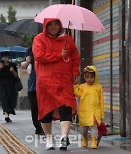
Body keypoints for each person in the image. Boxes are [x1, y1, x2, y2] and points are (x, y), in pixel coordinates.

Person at [32, 18, 80, 150]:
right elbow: (39, 56)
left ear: (61, 25)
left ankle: (64, 137)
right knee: (46, 110)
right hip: (45, 82)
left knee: (66, 108)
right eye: (50, 24)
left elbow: (75, 57)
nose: (54, 26)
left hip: (64, 81)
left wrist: (75, 71)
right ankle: (49, 138)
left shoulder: (68, 40)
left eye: (56, 23)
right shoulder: (39, 39)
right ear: (45, 26)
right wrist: (59, 55)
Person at [74, 65, 104, 149]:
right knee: (85, 129)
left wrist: (101, 115)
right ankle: (85, 138)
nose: (89, 79)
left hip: (95, 111)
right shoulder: (82, 87)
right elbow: (77, 93)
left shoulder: (98, 87)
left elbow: (101, 101)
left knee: (94, 127)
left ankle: (93, 141)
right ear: (84, 77)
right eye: (87, 77)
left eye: (91, 77)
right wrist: (75, 85)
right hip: (85, 112)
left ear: (95, 77)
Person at [21, 47, 43, 135]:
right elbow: (23, 65)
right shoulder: (30, 50)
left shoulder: (47, 48)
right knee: (34, 108)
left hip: (45, 84)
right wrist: (27, 61)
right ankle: (38, 127)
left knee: (44, 107)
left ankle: (43, 126)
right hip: (33, 85)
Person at [0, 51, 18, 122]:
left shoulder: (12, 65)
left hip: (11, 85)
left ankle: (7, 114)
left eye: (6, 56)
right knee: (3, 99)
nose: (5, 58)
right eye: (4, 56)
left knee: (10, 100)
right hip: (2, 84)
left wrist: (13, 71)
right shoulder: (0, 64)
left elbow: (16, 75)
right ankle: (6, 115)